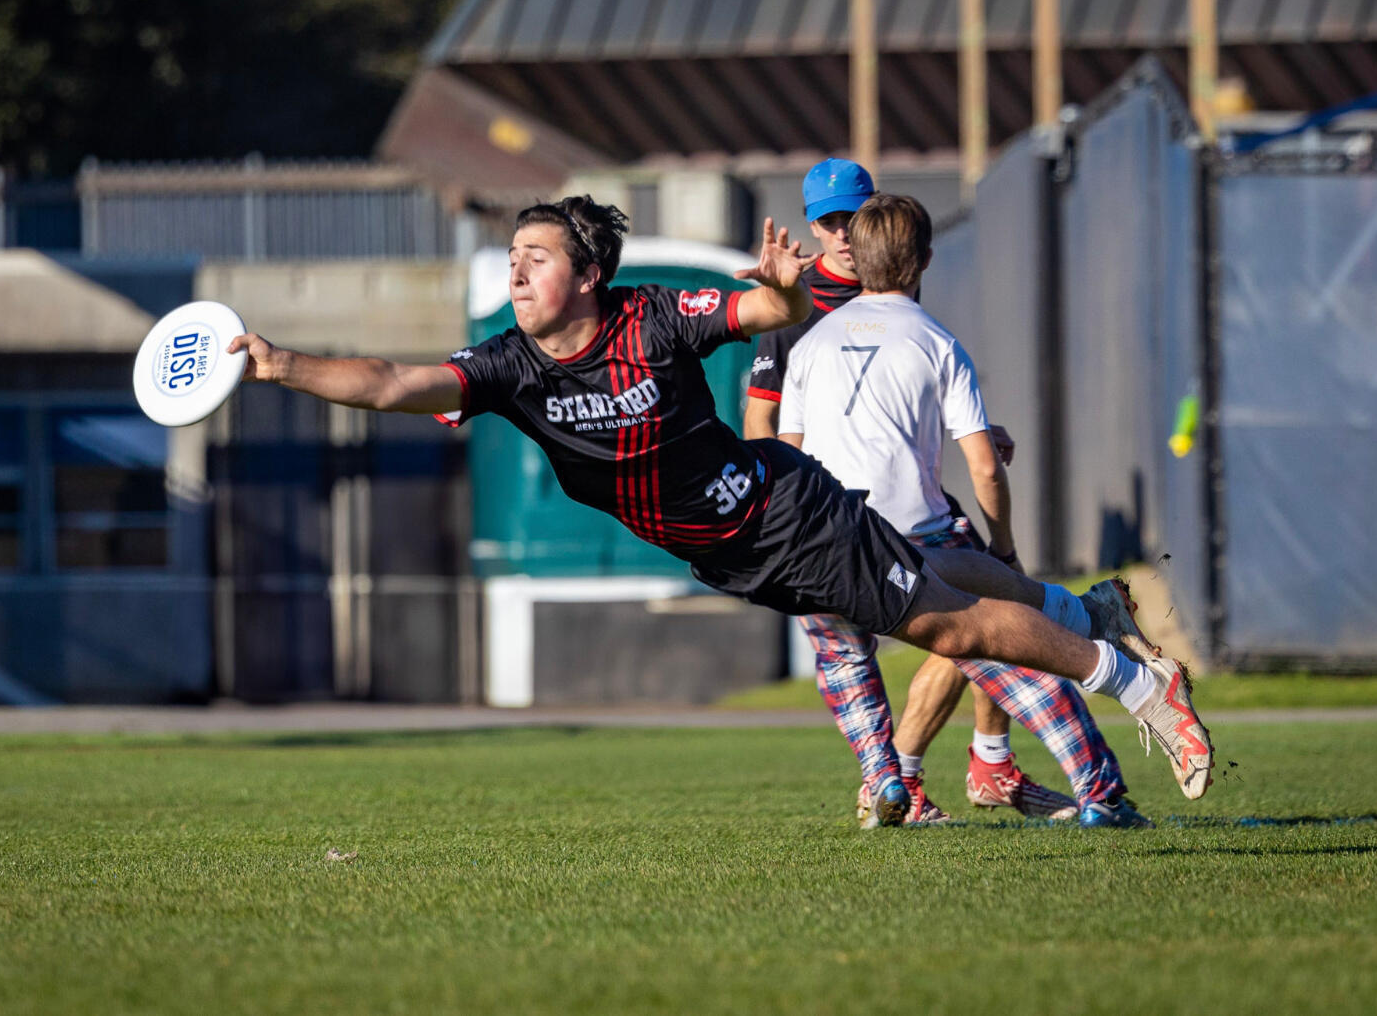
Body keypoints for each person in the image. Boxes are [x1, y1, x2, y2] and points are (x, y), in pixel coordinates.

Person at [226, 194, 1213, 827]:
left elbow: (761, 316)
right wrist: (281, 364)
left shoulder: (651, 315)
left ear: (586, 275)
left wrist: (780, 295)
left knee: (948, 621)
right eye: (512, 256)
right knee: (946, 577)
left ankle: (1131, 683)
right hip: (741, 554)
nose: (516, 269)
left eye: (534, 255)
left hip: (783, 516)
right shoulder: (507, 367)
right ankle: (1088, 617)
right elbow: (393, 379)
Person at [747, 160, 1145, 827]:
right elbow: (768, 429)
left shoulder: (876, 316)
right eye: (832, 222)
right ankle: (1051, 778)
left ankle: (935, 772)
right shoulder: (797, 310)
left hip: (853, 524)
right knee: (995, 635)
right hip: (878, 524)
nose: (846, 233)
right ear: (813, 229)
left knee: (940, 642)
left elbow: (891, 405)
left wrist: (974, 431)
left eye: (856, 217)